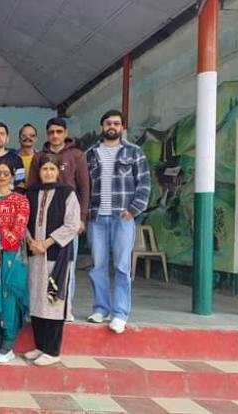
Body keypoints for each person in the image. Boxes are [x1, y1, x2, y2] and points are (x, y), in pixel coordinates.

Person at [86, 109, 151, 334]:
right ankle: (101, 308)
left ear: (122, 127)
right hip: (97, 218)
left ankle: (120, 313)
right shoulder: (91, 154)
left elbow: (144, 184)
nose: (112, 126)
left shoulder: (134, 152)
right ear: (102, 127)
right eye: (108, 123)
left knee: (122, 266)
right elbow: (85, 187)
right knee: (98, 265)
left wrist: (133, 211)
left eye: (116, 123)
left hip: (122, 218)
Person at [27, 117, 90, 321]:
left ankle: (65, 308)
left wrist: (81, 218)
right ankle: (38, 307)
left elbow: (84, 188)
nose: (55, 135)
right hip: (42, 219)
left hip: (68, 219)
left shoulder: (76, 155)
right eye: (51, 132)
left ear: (65, 132)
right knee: (39, 267)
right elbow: (32, 185)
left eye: (59, 131)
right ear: (47, 134)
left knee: (66, 265)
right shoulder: (39, 157)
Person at [24, 154, 80, 366]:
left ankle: (53, 350)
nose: (48, 172)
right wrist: (31, 242)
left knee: (52, 300)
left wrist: (46, 243)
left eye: (52, 169)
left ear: (58, 171)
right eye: (44, 169)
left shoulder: (67, 193)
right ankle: (40, 346)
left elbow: (72, 224)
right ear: (39, 172)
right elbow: (24, 221)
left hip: (56, 256)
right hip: (34, 254)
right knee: (36, 299)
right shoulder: (31, 193)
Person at [0, 163, 30, 363]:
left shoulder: (21, 201)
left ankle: (8, 347)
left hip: (12, 257)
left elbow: (18, 231)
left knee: (9, 298)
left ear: (12, 177)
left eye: (6, 173)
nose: (2, 176)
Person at [15, 123, 38, 189]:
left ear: (36, 139)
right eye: (24, 136)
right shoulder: (12, 158)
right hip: (17, 196)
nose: (28, 138)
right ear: (19, 138)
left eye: (32, 135)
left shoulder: (41, 158)